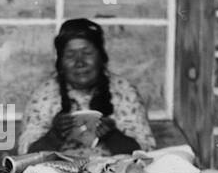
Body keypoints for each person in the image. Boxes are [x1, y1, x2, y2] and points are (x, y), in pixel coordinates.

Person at [17, 18, 158, 155]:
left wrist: (112, 136)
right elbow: (24, 156)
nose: (80, 62)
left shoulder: (125, 92)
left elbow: (147, 154)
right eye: (71, 55)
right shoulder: (44, 96)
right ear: (60, 63)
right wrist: (54, 135)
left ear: (101, 57)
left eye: (87, 53)